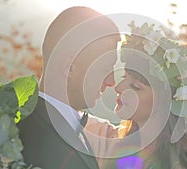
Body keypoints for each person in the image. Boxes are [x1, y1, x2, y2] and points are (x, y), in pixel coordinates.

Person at [85, 22, 187, 169]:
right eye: (123, 77)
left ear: (165, 102)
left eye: (135, 86)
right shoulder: (112, 139)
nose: (118, 87)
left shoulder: (185, 164)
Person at [18, 6, 120, 169]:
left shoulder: (73, 129)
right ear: (70, 67)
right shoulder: (29, 137)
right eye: (105, 69)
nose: (112, 82)